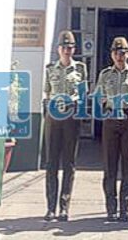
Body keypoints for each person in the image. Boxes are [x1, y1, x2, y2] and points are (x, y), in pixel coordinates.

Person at [94, 37, 128, 223]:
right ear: (112, 54)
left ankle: (125, 208)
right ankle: (111, 208)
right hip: (110, 120)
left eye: (123, 52)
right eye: (116, 52)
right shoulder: (105, 74)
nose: (119, 56)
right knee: (109, 166)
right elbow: (99, 96)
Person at [42, 30, 88, 222]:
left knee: (69, 163)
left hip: (71, 116)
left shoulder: (80, 69)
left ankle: (64, 207)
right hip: (53, 117)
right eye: (64, 47)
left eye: (71, 47)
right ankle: (50, 207)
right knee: (51, 163)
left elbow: (84, 93)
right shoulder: (50, 69)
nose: (68, 50)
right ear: (58, 49)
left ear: (74, 49)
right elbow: (46, 92)